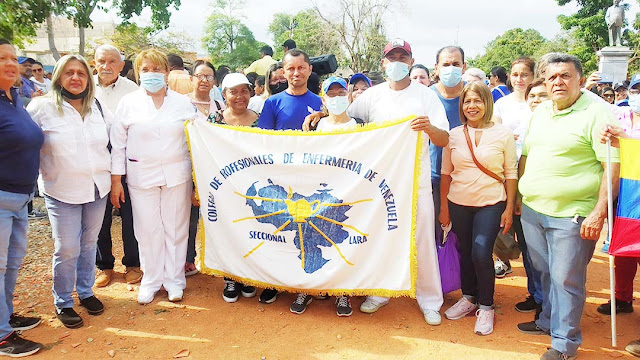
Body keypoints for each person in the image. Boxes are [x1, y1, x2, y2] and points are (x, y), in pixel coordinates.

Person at [516, 53, 620, 360]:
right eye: (551, 77)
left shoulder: (598, 113)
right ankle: (548, 320)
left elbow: (610, 167)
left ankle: (564, 345)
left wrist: (599, 210)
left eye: (565, 76)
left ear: (579, 78)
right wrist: (522, 197)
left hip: (573, 216)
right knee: (544, 272)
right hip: (535, 210)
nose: (557, 82)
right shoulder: (541, 112)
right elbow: (528, 156)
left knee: (566, 279)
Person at [347, 38, 449, 326]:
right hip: (380, 183)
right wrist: (322, 115)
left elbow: (444, 138)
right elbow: (346, 124)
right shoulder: (372, 96)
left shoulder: (426, 96)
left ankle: (429, 299)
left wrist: (428, 126)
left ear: (411, 61)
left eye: (403, 58)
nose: (397, 63)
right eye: (392, 58)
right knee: (382, 234)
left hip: (416, 180)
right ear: (383, 63)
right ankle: (381, 291)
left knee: (422, 238)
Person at [27, 54, 111, 329]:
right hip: (60, 190)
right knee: (67, 248)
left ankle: (85, 291)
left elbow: (117, 138)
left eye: (81, 73)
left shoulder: (97, 107)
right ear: (59, 77)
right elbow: (26, 144)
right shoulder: (41, 107)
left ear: (88, 79)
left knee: (89, 244)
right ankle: (63, 300)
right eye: (69, 73)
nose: (75, 78)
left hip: (97, 188)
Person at [110, 49, 197, 305]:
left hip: (177, 175)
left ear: (167, 73)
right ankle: (151, 280)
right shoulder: (128, 103)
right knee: (147, 230)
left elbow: (197, 140)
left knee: (176, 228)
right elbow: (118, 144)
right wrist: (117, 180)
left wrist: (197, 181)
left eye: (157, 69)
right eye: (145, 69)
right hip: (141, 176)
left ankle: (174, 281)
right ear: (138, 73)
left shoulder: (182, 103)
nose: (151, 74)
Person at [440, 81, 517, 335]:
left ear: (487, 103)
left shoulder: (503, 133)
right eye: (467, 102)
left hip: (491, 203)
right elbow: (446, 174)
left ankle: (486, 306)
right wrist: (444, 208)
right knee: (464, 251)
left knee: (481, 251)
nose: (472, 106)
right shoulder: (452, 134)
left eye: (477, 100)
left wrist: (509, 207)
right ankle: (469, 297)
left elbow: (510, 173)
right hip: (459, 202)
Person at [257, 49, 323, 308]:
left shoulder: (321, 103)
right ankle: (274, 284)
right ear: (283, 73)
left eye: (301, 68)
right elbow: (263, 141)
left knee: (306, 232)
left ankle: (305, 285)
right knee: (278, 231)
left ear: (309, 70)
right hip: (280, 179)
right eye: (290, 69)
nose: (296, 73)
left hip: (311, 179)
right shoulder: (272, 103)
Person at [0, 37, 44, 357]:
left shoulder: (14, 97)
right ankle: (1, 336)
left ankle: (5, 316)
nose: (11, 64)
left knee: (12, 263)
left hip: (20, 197)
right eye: (2, 58)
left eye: (13, 58)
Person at [596, 74, 640, 360]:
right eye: (636, 89)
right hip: (626, 199)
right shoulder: (620, 113)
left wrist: (624, 142)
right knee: (623, 250)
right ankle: (622, 298)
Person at [93, 44, 142, 288]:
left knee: (130, 213)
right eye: (102, 61)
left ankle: (133, 263)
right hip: (97, 159)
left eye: (112, 61)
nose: (106, 66)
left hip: (126, 158)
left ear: (122, 66)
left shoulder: (131, 89)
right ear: (94, 62)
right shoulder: (86, 87)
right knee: (99, 216)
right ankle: (104, 266)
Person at [492, 57, 536, 278]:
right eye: (515, 74)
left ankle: (536, 288)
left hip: (533, 172)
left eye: (525, 74)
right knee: (503, 225)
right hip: (506, 171)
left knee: (528, 234)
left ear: (534, 77)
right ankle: (503, 260)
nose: (519, 79)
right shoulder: (501, 103)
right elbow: (494, 132)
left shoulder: (539, 101)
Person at [430, 46, 466, 244]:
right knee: (436, 235)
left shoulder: (473, 94)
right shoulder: (426, 96)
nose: (450, 69)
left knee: (465, 239)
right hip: (433, 176)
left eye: (455, 64)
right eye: (446, 64)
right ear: (436, 68)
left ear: (464, 66)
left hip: (466, 178)